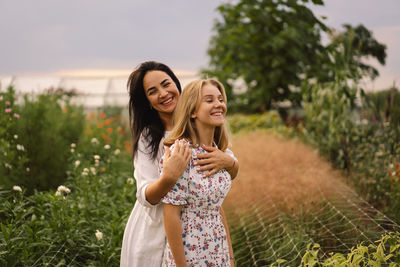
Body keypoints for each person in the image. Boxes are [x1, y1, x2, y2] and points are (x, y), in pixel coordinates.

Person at [120, 62, 239, 267]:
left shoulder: (203, 125)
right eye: (153, 91)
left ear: (177, 85)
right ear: (147, 101)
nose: (164, 93)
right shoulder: (150, 138)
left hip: (202, 237)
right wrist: (169, 177)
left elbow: (225, 173)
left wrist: (229, 161)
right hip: (156, 229)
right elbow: (145, 195)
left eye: (167, 84)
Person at [161, 78, 237, 266]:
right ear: (193, 111)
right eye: (209, 100)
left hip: (218, 250)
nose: (219, 104)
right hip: (191, 253)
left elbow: (217, 208)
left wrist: (230, 257)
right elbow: (171, 215)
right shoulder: (181, 153)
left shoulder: (220, 152)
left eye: (220, 99)